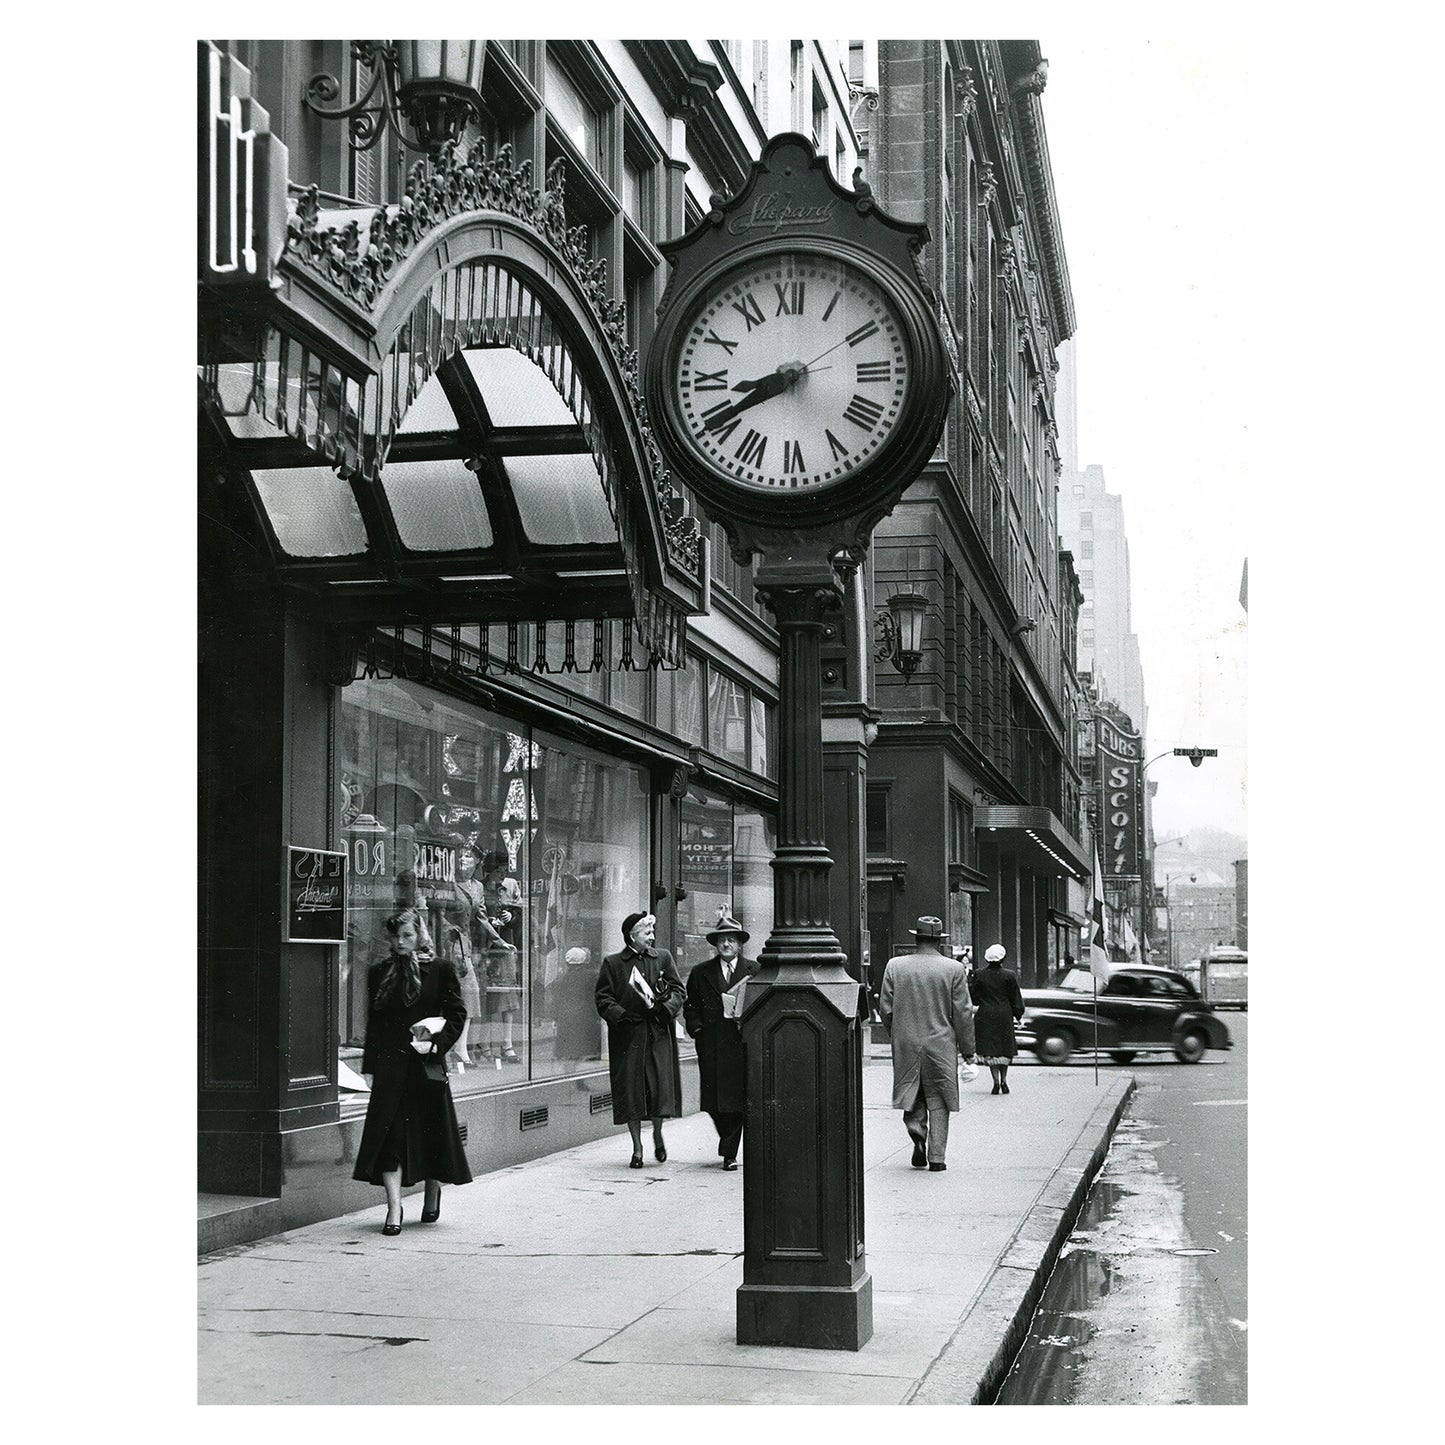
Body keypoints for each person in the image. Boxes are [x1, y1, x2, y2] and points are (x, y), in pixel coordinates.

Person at [352, 909, 473, 1234]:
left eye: (407, 935)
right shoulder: (381, 972)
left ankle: (432, 1190)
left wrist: (438, 1044)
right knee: (390, 1138)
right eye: (396, 937)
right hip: (391, 1066)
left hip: (425, 1064)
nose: (401, 942)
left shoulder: (441, 969)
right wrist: (370, 1066)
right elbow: (374, 1022)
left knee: (431, 1133)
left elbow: (457, 1013)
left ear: (420, 933)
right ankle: (394, 1208)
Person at [879, 915, 977, 1172]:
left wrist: (897, 1034)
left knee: (912, 1092)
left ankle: (917, 1136)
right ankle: (937, 1157)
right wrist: (968, 1051)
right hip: (941, 1043)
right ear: (939, 940)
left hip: (907, 1042)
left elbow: (886, 1009)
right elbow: (963, 1014)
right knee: (940, 1097)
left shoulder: (895, 966)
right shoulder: (954, 969)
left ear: (916, 937)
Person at [595, 911, 684, 1169]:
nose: (652, 937)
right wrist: (620, 1015)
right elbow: (603, 998)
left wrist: (665, 1008)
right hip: (628, 1036)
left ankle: (657, 1132)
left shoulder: (663, 958)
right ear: (632, 936)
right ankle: (637, 1148)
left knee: (659, 1090)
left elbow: (679, 990)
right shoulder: (613, 963)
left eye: (652, 932)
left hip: (657, 1033)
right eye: (647, 933)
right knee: (631, 1093)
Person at [683, 913, 756, 1171]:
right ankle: (727, 1141)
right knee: (713, 1102)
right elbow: (690, 1006)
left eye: (731, 940)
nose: (726, 945)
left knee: (736, 1101)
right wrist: (697, 1029)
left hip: (740, 1044)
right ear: (715, 944)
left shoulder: (754, 971)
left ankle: (729, 1153)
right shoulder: (701, 972)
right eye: (722, 940)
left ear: (739, 944)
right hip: (711, 1045)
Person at [479, 850, 524, 1064]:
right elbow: (477, 916)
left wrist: (511, 917)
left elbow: (520, 915)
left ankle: (507, 1044)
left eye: (504, 870)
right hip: (487, 947)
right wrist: (489, 920)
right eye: (498, 871)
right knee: (489, 998)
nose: (502, 875)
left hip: (505, 946)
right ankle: (484, 1043)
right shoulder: (481, 887)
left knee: (508, 995)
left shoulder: (510, 887)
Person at [972, 942, 1026, 1095]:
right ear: (1002, 958)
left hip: (986, 1015)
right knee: (1004, 1049)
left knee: (991, 1050)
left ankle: (995, 1081)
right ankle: (1004, 1080)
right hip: (1004, 1015)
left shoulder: (979, 974)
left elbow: (974, 998)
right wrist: (1018, 1015)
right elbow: (1015, 998)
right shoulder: (1010, 975)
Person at [550, 946, 602, 1063]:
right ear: (584, 961)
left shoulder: (561, 978)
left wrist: (555, 1016)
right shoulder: (591, 976)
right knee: (584, 1046)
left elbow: (556, 999)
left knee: (567, 1045)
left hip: (565, 1015)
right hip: (585, 1014)